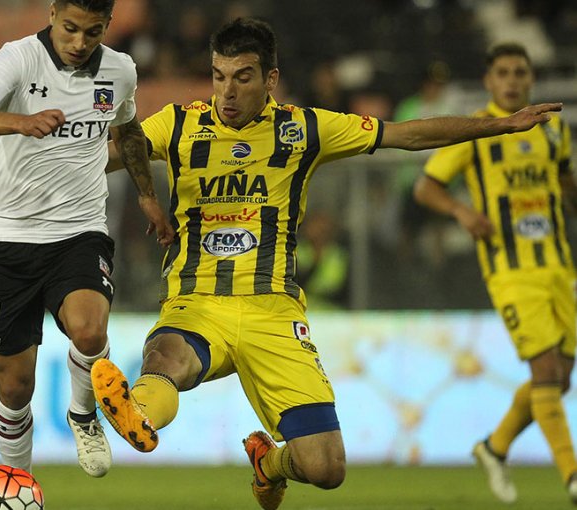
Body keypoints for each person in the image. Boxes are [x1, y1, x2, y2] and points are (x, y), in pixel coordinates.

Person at [93, 18, 562, 509]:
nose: (226, 91)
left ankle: (269, 464)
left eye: (242, 77)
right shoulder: (178, 123)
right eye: (218, 75)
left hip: (273, 312)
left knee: (325, 468)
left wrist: (500, 125)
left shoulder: (305, 128)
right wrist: (47, 146)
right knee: (167, 359)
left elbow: (406, 135)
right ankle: (136, 412)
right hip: (196, 302)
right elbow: (110, 155)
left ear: (270, 79)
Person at [0, 0, 173, 478]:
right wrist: (20, 122)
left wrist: (147, 196)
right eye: (70, 28)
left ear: (107, 26)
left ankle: (83, 414)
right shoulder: (18, 57)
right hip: (8, 239)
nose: (78, 43)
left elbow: (129, 130)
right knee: (15, 388)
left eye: (92, 32)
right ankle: (19, 484)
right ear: (52, 14)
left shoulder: (120, 70)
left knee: (91, 332)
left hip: (79, 232)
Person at [414, 43, 577, 505]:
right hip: (510, 268)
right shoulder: (478, 132)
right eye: (502, 72)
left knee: (560, 378)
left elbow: (566, 184)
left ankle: (493, 447)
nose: (511, 80)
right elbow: (427, 188)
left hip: (558, 266)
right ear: (488, 81)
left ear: (530, 80)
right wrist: (462, 213)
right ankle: (572, 476)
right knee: (545, 369)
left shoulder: (554, 131)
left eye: (520, 72)